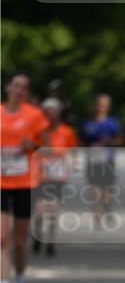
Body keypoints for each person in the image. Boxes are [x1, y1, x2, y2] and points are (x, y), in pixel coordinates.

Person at [1, 73, 50, 283]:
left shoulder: (34, 115)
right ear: (8, 87)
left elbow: (47, 146)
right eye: (17, 85)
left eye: (25, 87)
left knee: (19, 242)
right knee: (0, 239)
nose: (20, 90)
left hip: (24, 182)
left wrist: (33, 147)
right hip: (1, 182)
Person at [32, 98, 78, 256]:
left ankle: (50, 242)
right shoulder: (38, 131)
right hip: (40, 174)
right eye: (48, 113)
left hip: (58, 175)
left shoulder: (67, 131)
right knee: (39, 211)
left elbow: (72, 149)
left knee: (54, 210)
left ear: (59, 114)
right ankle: (37, 235)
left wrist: (73, 163)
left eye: (54, 112)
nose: (51, 116)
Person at [80, 94, 123, 226]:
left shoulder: (112, 123)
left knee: (106, 190)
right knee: (95, 188)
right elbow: (81, 140)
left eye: (104, 104)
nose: (102, 107)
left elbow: (120, 140)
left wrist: (109, 141)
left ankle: (107, 207)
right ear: (96, 106)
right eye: (100, 104)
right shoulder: (88, 123)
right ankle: (97, 216)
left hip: (107, 160)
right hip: (93, 159)